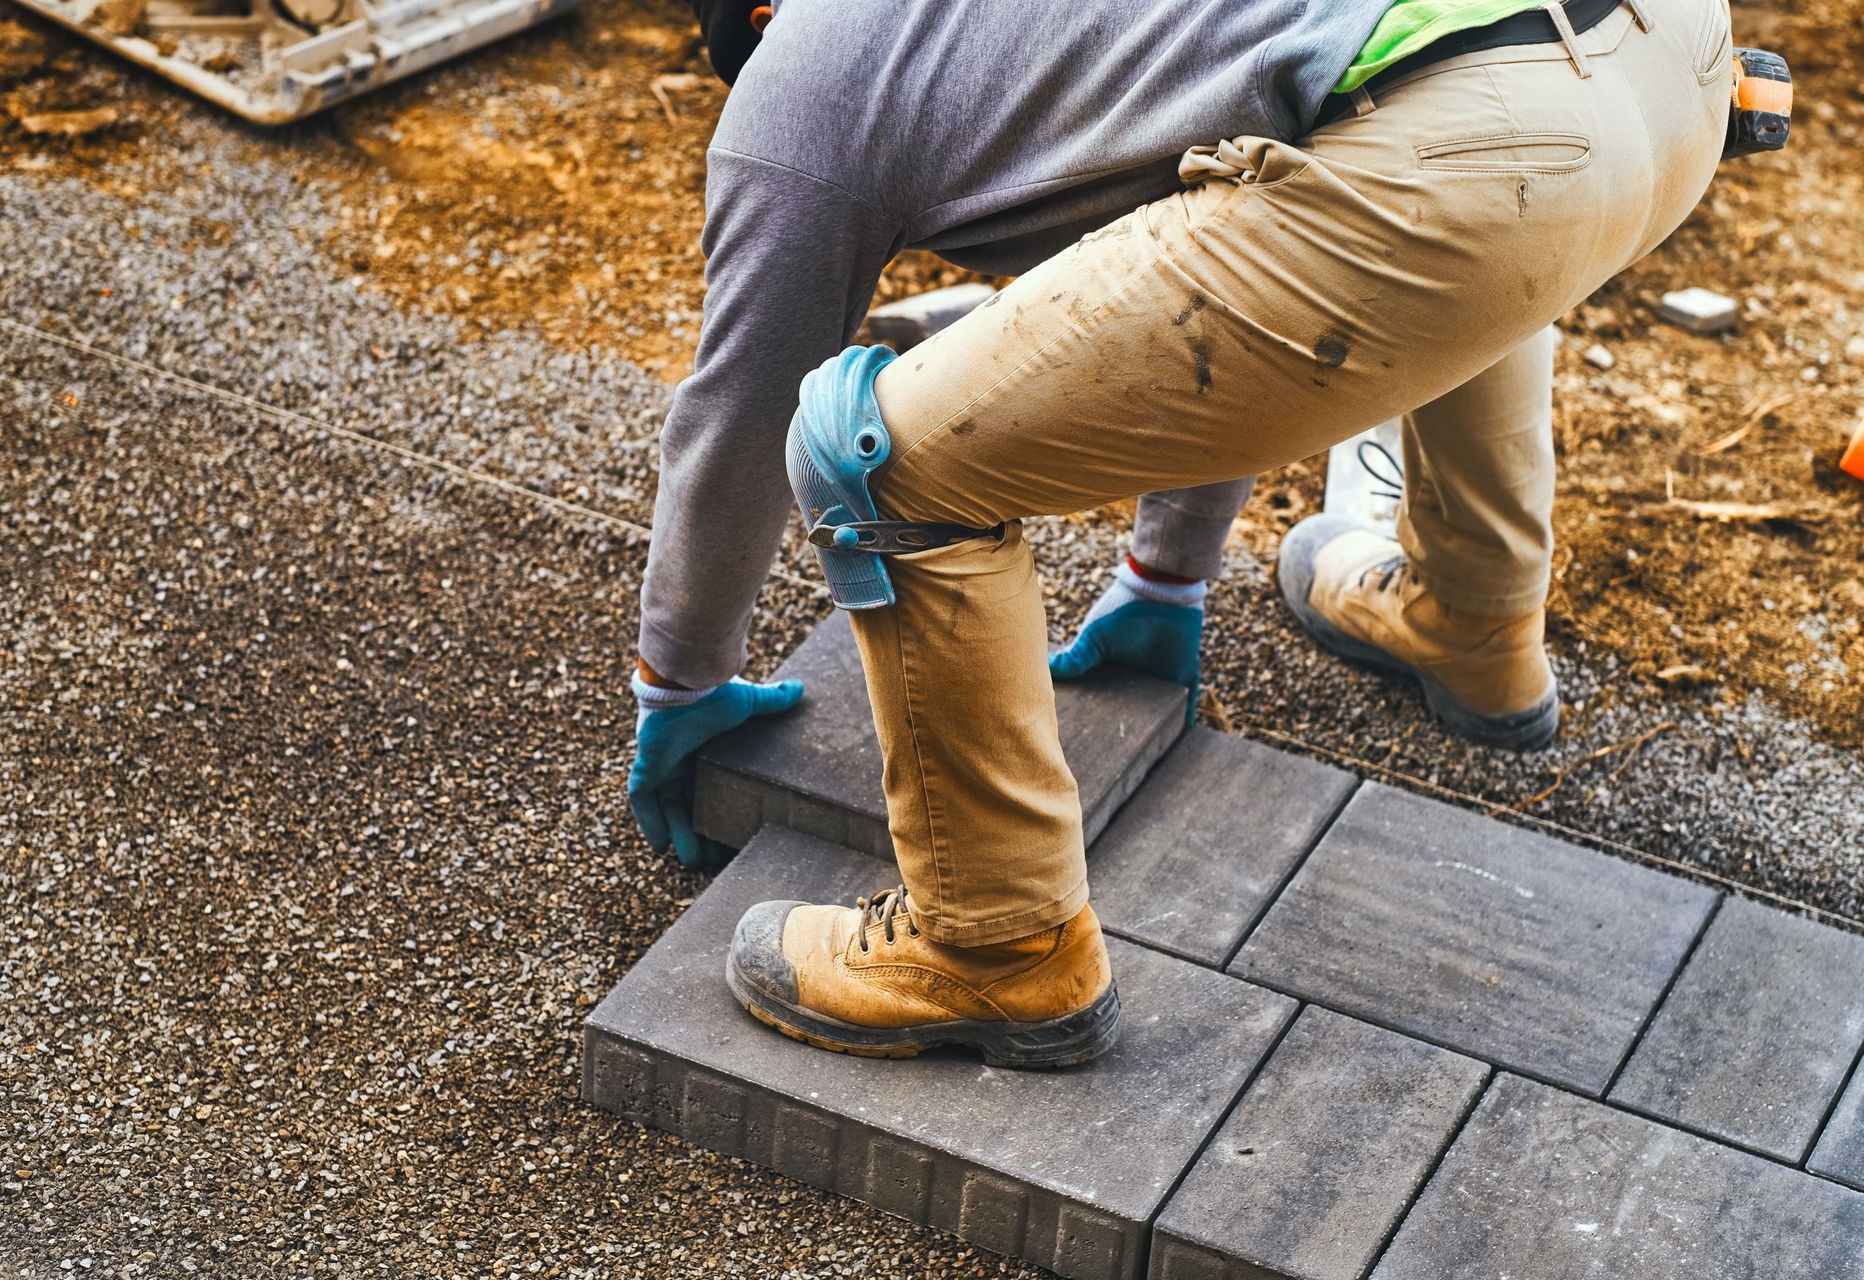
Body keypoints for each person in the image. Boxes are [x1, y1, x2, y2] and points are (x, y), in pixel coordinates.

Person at [635, 0, 1734, 1066]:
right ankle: (1475, 628)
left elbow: (744, 413)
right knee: (1488, 227)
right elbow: (1221, 222)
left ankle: (992, 942)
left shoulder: (798, 84)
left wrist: (679, 684)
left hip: (1488, 143)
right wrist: (1165, 578)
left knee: (881, 459)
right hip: (1668, 66)